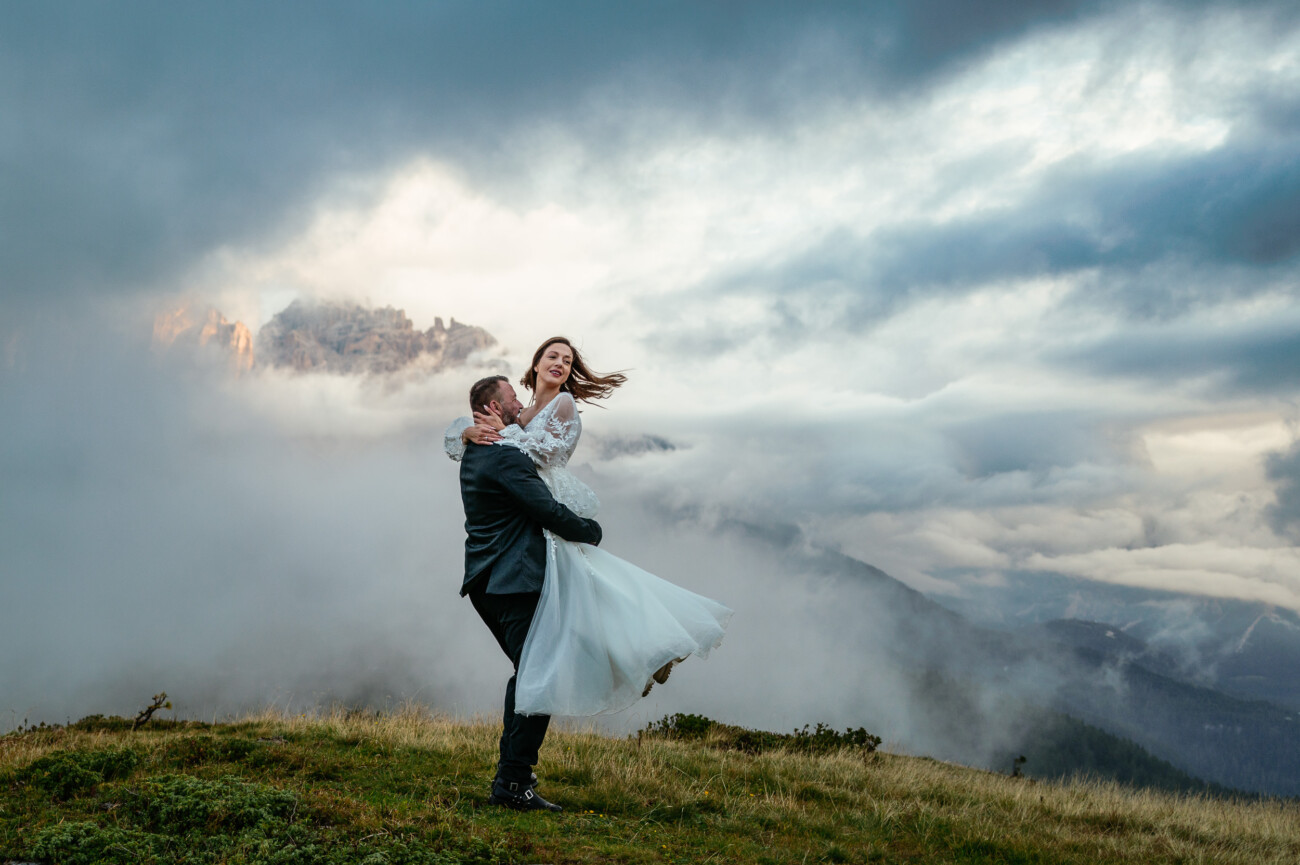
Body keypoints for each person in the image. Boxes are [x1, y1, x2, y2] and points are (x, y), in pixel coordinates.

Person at [446, 337, 731, 719]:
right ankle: (637, 655)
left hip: (548, 503)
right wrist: (469, 429)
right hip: (531, 518)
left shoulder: (562, 404)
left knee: (592, 592)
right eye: (553, 356)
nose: (560, 363)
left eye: (567, 360)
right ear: (534, 365)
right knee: (588, 597)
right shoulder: (523, 413)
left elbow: (545, 454)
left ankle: (644, 652)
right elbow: (476, 426)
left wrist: (505, 433)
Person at [455, 373, 604, 813]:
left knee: (531, 673)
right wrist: (590, 531)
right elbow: (544, 508)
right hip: (513, 581)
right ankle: (513, 782)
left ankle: (513, 775)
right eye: (513, 398)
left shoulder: (474, 450)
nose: (519, 403)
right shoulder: (504, 457)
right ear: (496, 408)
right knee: (539, 676)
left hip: (488, 582)